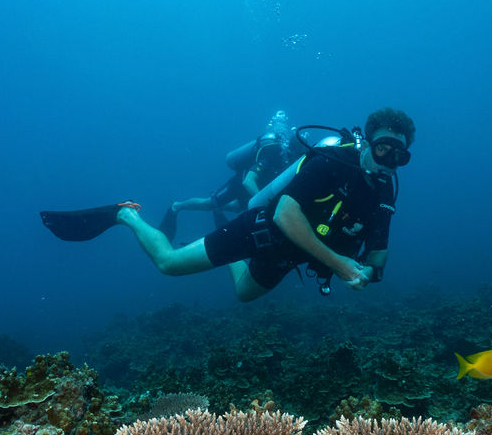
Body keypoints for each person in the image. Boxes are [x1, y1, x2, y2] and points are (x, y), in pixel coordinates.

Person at [115, 107, 415, 302]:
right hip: (260, 228)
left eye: (398, 155)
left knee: (244, 293)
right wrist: (339, 264)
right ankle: (127, 215)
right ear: (369, 144)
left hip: (290, 255)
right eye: (382, 149)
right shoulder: (331, 162)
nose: (388, 161)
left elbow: (378, 251)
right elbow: (285, 214)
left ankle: (226, 254)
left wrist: (369, 273)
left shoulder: (385, 193)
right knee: (168, 264)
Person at [158, 110, 304, 240]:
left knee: (235, 207)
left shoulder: (289, 161)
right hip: (240, 183)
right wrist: (266, 205)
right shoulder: (272, 154)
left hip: (257, 188)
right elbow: (248, 181)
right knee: (209, 203)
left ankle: (219, 208)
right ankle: (177, 206)